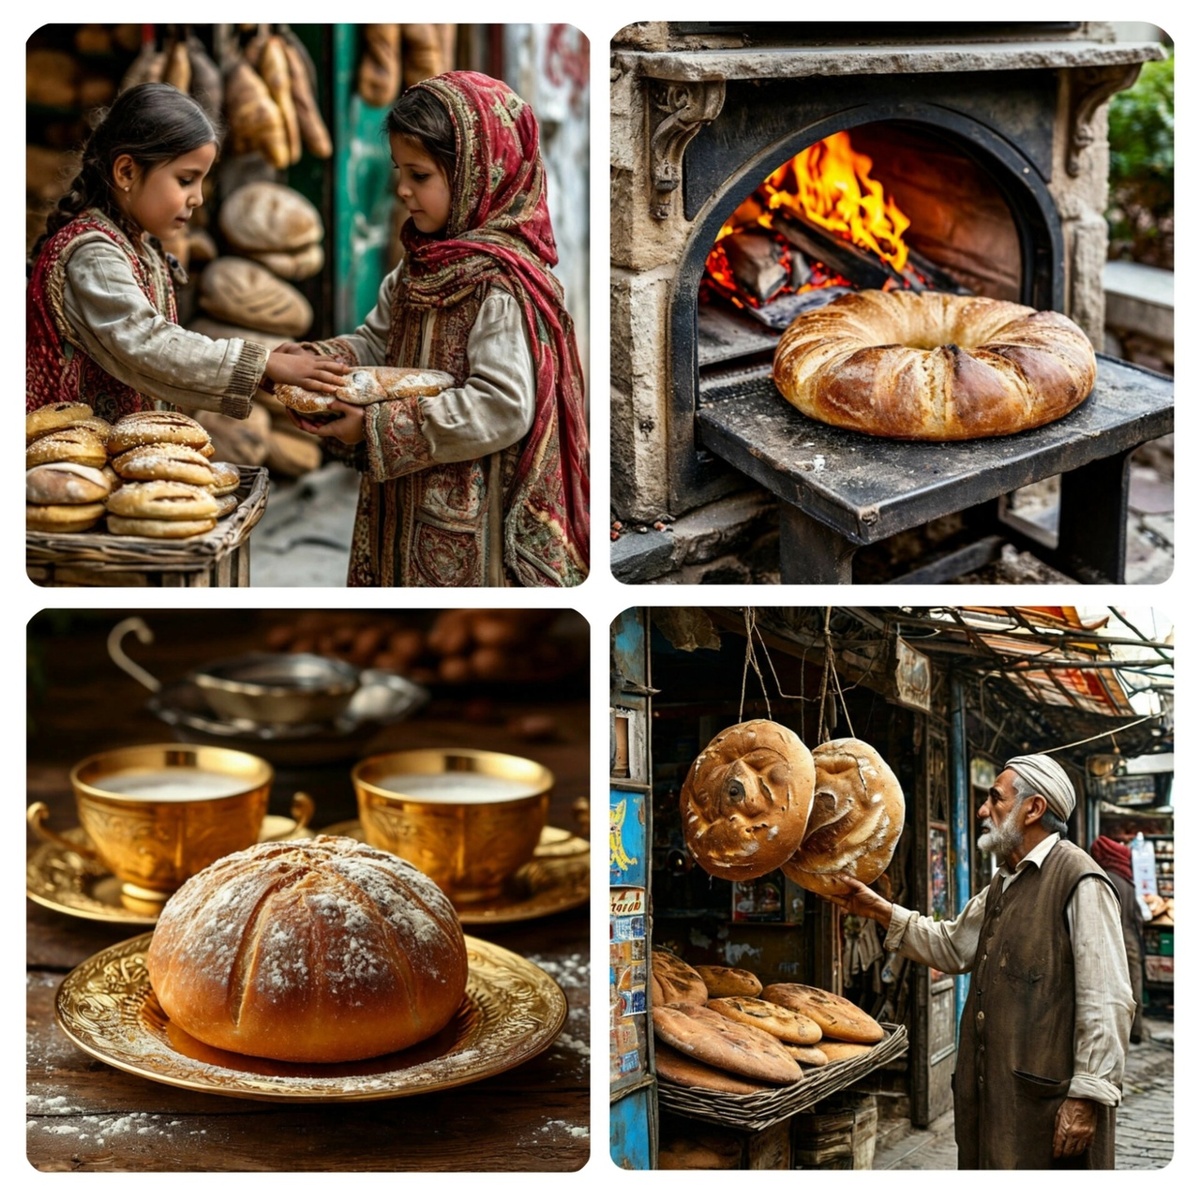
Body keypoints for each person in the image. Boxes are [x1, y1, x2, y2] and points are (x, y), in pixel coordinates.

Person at [284, 70, 589, 587]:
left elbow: (501, 406)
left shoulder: (500, 288)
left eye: (419, 175)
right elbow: (377, 343)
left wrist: (378, 429)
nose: (402, 190)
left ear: (480, 175)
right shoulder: (416, 268)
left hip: (469, 522)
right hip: (399, 499)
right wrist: (316, 363)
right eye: (399, 171)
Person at [829, 753, 1135, 1169]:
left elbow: (1107, 999)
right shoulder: (1003, 883)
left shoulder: (1080, 880)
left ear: (1034, 809)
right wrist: (881, 911)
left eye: (996, 799)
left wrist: (1087, 1096)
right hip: (997, 1103)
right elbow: (953, 945)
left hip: (1045, 1106)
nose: (982, 809)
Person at [26, 82, 347, 423]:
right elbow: (146, 343)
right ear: (127, 172)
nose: (198, 198)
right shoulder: (94, 254)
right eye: (185, 180)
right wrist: (261, 362)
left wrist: (264, 371)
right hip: (69, 462)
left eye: (201, 182)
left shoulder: (138, 246)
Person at [1089, 830, 1147, 1044]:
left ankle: (1111, 1036)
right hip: (1131, 942)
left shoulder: (1102, 879)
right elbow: (1138, 918)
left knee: (1110, 992)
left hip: (1110, 942)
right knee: (1133, 989)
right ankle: (1136, 1031)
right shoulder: (1127, 880)